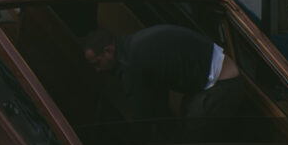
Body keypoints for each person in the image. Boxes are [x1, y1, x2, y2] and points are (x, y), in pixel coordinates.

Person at [84, 24, 238, 129]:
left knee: (191, 142)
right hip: (215, 77)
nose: (97, 70)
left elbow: (142, 116)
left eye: (97, 63)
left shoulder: (131, 64)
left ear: (108, 51)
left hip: (220, 84)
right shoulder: (133, 45)